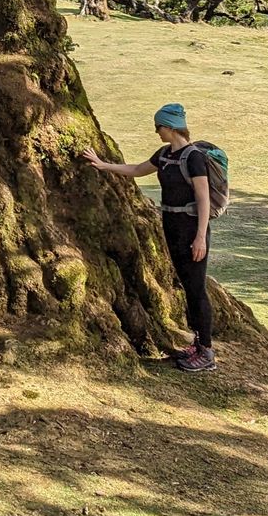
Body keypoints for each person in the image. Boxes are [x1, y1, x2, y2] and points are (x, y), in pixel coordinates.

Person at [79, 102, 216, 372]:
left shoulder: (194, 157)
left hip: (191, 229)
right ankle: (196, 344)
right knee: (187, 287)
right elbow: (137, 170)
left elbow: (203, 199)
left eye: (159, 127)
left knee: (197, 289)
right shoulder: (165, 154)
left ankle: (207, 352)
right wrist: (103, 165)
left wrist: (200, 237)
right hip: (172, 227)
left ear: (170, 127)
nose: (157, 132)